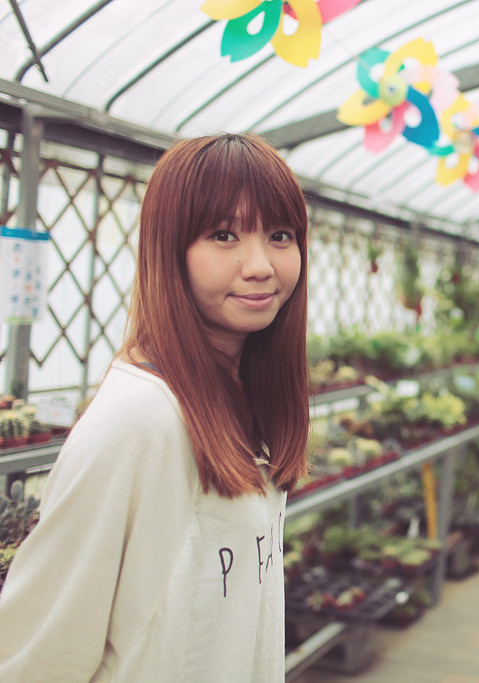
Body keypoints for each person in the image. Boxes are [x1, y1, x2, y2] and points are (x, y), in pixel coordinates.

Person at [0, 133, 310, 682]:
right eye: (224, 235)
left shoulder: (242, 395)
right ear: (170, 251)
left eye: (280, 235)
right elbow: (38, 655)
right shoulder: (140, 419)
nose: (261, 264)